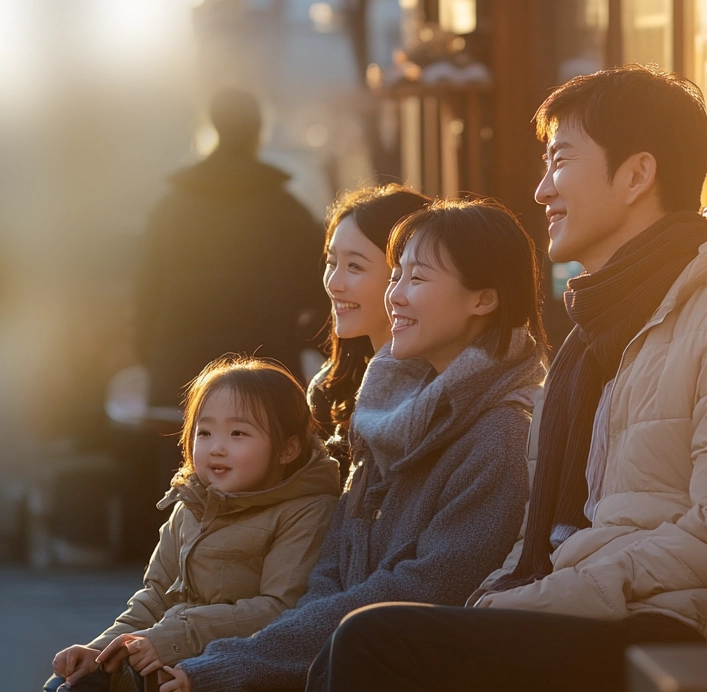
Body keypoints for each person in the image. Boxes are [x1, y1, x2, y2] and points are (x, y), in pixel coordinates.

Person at [310, 64, 707, 691]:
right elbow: (533, 540)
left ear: (636, 175)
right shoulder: (597, 338)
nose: (541, 190)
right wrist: (502, 594)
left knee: (374, 643)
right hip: (621, 612)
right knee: (351, 642)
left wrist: (555, 594)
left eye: (560, 162)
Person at [157, 199, 548, 692]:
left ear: (483, 299)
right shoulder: (386, 415)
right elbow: (330, 574)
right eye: (395, 276)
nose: (395, 297)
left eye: (417, 279)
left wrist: (225, 664)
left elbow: (423, 590)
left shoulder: (501, 435)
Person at [45, 356, 341, 692]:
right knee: (68, 681)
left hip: (231, 668)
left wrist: (173, 636)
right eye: (205, 431)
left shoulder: (306, 511)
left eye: (238, 433)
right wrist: (99, 651)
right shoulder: (190, 506)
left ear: (287, 449)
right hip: (165, 654)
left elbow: (278, 609)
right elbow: (155, 595)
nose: (217, 448)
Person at [135, 88, 325, 413]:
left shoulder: (168, 210)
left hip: (180, 379)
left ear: (211, 128)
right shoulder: (287, 210)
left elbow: (146, 296)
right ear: (259, 132)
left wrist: (152, 357)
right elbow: (323, 292)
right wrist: (298, 342)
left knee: (186, 459)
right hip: (266, 377)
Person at [309, 184, 431, 475]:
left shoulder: (444, 393)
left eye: (354, 266)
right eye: (331, 262)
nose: (334, 283)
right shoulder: (329, 390)